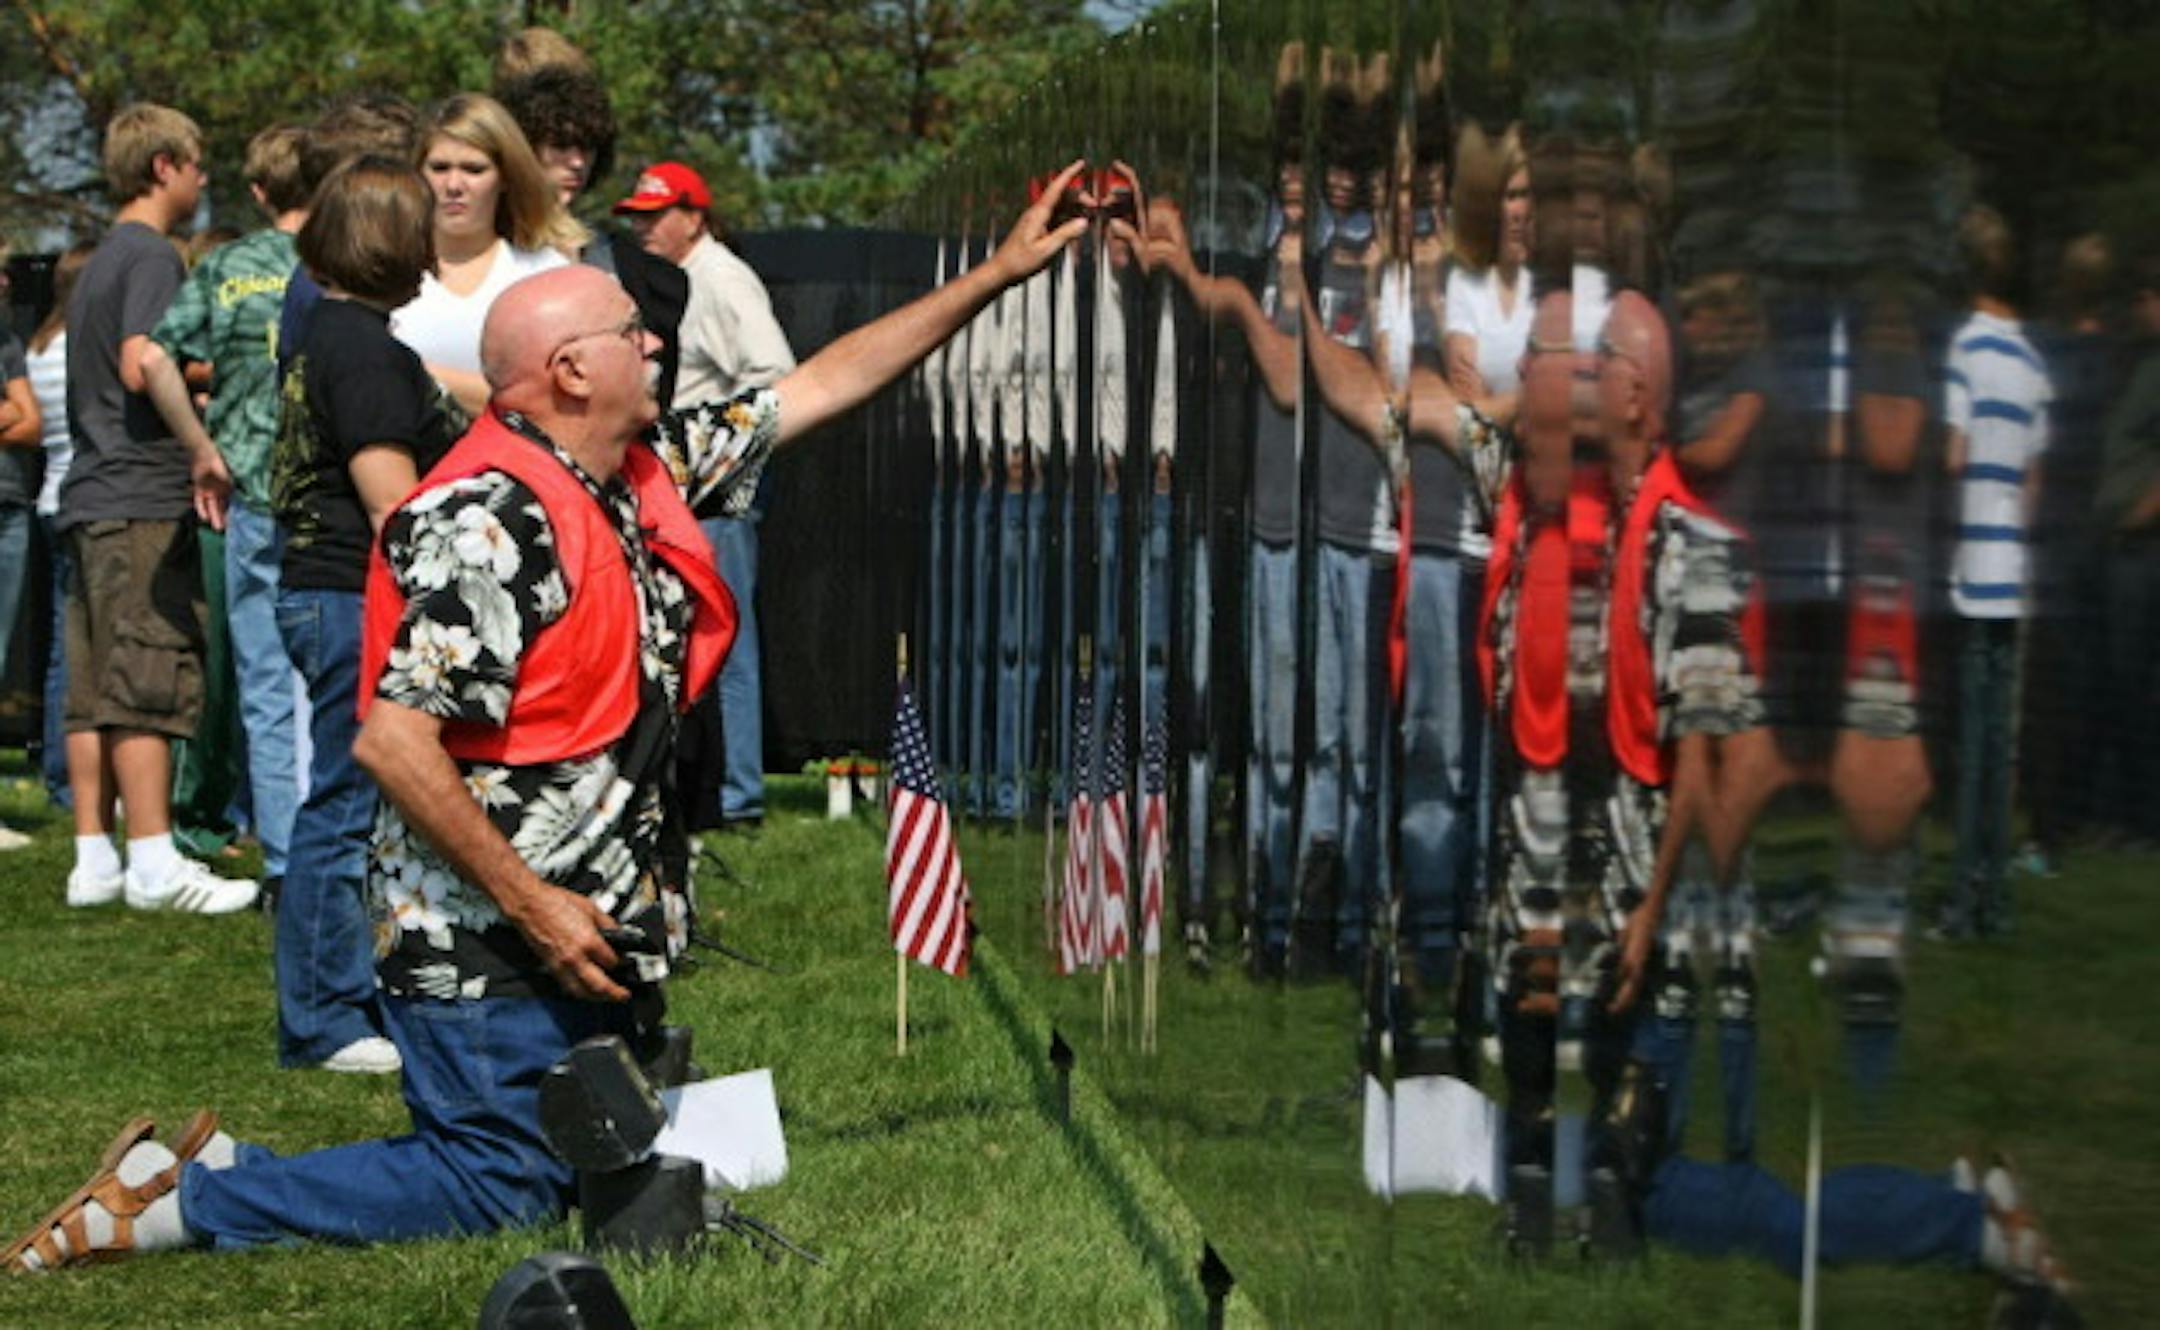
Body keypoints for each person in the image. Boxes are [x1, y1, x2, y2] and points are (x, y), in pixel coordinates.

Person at [0, 161, 1089, 1270]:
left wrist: (999, 273)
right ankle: (174, 1211)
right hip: (486, 941)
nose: (654, 341)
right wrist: (538, 908)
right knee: (501, 1185)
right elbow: (392, 740)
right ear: (572, 371)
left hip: (580, 931)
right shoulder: (484, 522)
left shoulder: (634, 469)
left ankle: (214, 1166)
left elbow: (817, 386)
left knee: (605, 1160)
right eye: (631, 331)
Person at [269, 157, 472, 1075]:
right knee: (345, 811)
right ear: (396, 242)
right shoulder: (364, 352)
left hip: (334, 596)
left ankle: (353, 999)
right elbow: (393, 503)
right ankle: (322, 1022)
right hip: (353, 596)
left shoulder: (339, 337)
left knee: (361, 807)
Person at [56, 102, 256, 915]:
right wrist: (223, 383)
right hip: (140, 492)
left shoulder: (104, 257)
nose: (204, 180)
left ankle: (94, 859)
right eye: (197, 164)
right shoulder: (152, 258)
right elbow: (147, 363)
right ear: (164, 167)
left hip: (92, 491)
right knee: (147, 672)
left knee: (94, 684)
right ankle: (152, 861)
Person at [139, 124, 311, 909]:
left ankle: (283, 861)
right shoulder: (349, 258)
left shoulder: (230, 265)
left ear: (258, 192)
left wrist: (200, 447)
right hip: (332, 489)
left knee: (268, 684)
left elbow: (152, 357)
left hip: (254, 494)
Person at [616, 158, 795, 830]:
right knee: (694, 633)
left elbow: (775, 371)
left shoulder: (721, 278)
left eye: (657, 214)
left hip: (716, 479)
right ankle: (716, 786)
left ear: (696, 214)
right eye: (636, 216)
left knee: (725, 634)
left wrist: (717, 438)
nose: (644, 227)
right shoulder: (684, 276)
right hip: (684, 478)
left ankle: (738, 795)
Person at [1936, 206, 2052, 940]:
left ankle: (1965, 899)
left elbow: (1953, 458)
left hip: (1972, 564)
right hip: (2013, 563)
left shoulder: (1964, 350)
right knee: (1999, 747)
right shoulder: (2034, 365)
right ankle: (1996, 901)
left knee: (1970, 746)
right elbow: (2034, 482)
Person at [494, 58, 692, 409]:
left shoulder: (632, 269)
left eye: (586, 147)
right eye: (560, 145)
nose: (576, 162)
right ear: (522, 149)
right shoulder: (478, 251)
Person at [391, 93, 581, 416]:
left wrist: (407, 370)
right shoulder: (382, 273)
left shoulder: (546, 274)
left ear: (506, 177)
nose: (453, 184)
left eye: (473, 169)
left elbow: (551, 401)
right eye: (439, 168)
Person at [27, 243, 92, 811]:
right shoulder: (80, 347)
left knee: (58, 647)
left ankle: (57, 769)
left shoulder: (40, 346)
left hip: (48, 495)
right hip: (82, 499)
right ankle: (71, 779)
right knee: (81, 651)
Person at [0, 249, 43, 851]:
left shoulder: (8, 338)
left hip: (11, 507)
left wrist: (15, 411)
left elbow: (31, 422)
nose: (6, 279)